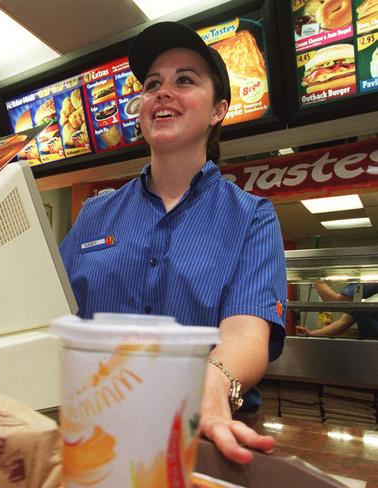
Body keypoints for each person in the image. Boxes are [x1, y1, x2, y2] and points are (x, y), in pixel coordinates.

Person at [60, 22, 287, 464]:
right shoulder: (94, 215)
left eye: (185, 80)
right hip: (95, 434)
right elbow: (48, 312)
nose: (163, 92)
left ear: (219, 110)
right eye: (151, 84)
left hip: (200, 441)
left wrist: (214, 380)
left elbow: (246, 332)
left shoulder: (252, 217)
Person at [297, 282, 378, 338]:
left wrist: (315, 277)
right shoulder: (358, 290)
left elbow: (333, 300)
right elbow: (342, 323)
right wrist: (312, 334)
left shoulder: (368, 281)